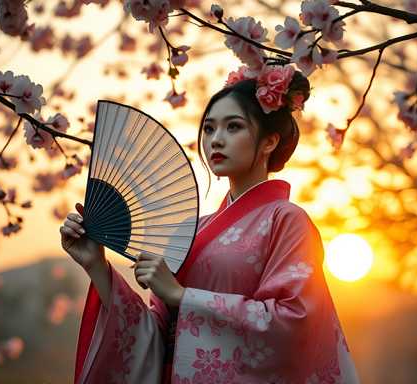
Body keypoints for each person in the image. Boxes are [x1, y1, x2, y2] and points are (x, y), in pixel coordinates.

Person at [60, 64, 360, 383]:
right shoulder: (193, 229)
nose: (216, 140)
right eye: (209, 129)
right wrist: (96, 266)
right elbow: (151, 340)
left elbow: (294, 322)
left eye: (233, 127)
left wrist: (182, 297)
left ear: (270, 141)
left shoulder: (287, 221)